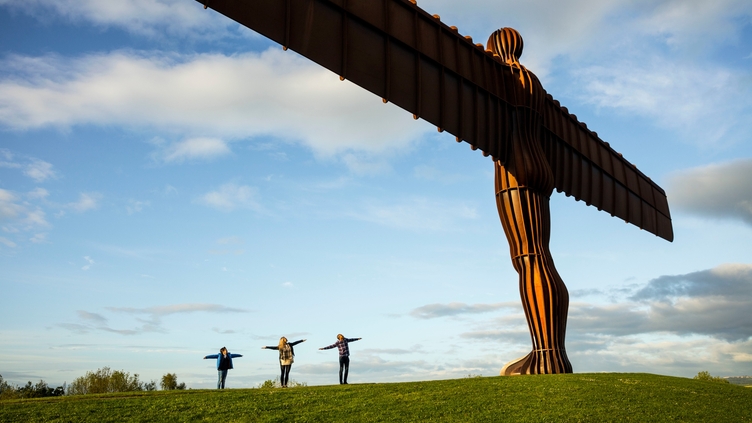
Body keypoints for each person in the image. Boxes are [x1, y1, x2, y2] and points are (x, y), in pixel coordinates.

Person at [488, 27, 572, 375]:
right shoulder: (533, 81)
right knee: (541, 253)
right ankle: (553, 352)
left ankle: (546, 356)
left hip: (514, 166)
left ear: (495, 47)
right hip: (541, 164)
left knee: (527, 257)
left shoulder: (497, 73)